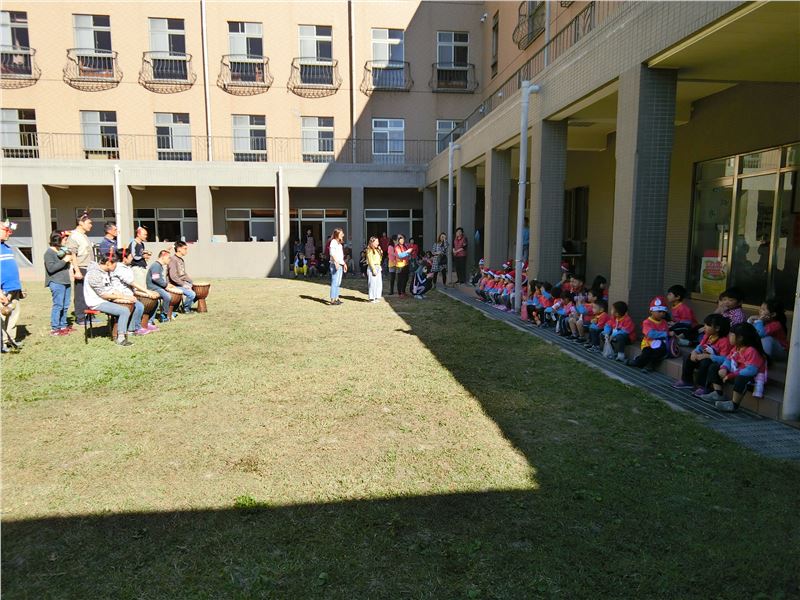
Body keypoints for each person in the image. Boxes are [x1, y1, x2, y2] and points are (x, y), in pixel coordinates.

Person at [700, 323, 768, 412]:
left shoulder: (751, 351)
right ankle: (718, 393)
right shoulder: (736, 348)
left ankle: (734, 404)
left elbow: (751, 370)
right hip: (735, 372)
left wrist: (731, 375)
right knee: (714, 367)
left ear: (740, 338)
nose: (728, 337)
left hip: (750, 378)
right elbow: (728, 359)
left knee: (741, 378)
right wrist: (724, 368)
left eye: (731, 335)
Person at [83, 253, 144, 346]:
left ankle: (127, 330)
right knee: (124, 311)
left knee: (132, 305)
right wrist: (124, 297)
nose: (116, 266)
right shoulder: (94, 274)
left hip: (104, 300)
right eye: (114, 264)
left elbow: (110, 289)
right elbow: (103, 295)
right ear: (108, 263)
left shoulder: (105, 272)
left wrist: (124, 295)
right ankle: (120, 339)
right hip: (96, 302)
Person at [672, 313, 732, 394]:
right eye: (705, 324)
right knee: (688, 356)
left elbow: (724, 359)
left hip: (714, 364)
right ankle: (687, 381)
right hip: (703, 357)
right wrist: (695, 352)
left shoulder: (724, 341)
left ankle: (703, 386)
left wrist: (708, 356)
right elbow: (700, 346)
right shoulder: (708, 335)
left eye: (708, 325)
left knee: (705, 362)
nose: (704, 327)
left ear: (717, 328)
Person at [113, 249, 159, 331]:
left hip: (130, 294)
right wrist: (146, 291)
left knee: (155, 302)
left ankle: (145, 324)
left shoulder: (127, 267)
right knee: (139, 306)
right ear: (124, 258)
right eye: (130, 256)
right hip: (122, 295)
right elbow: (131, 282)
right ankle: (134, 328)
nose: (132, 258)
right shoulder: (119, 268)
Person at [626, 296, 671, 372]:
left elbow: (668, 335)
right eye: (659, 311)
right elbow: (651, 334)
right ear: (651, 311)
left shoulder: (664, 322)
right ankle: (637, 362)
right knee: (646, 353)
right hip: (648, 344)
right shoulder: (647, 322)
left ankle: (649, 365)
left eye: (663, 312)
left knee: (659, 353)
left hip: (660, 345)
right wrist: (666, 334)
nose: (662, 314)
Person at [0, 219, 25, 352]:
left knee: (13, 315)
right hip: (3, 290)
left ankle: (10, 339)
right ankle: (2, 343)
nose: (9, 233)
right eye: (6, 230)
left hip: (13, 288)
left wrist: (20, 287)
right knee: (3, 316)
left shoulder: (7, 248)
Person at [65, 213, 94, 325]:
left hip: (89, 267)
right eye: (89, 223)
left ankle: (89, 315)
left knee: (89, 293)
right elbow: (72, 255)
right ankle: (81, 317)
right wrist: (77, 271)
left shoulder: (84, 235)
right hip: (81, 267)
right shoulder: (74, 236)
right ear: (81, 223)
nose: (91, 225)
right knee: (80, 294)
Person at [44, 230, 74, 336]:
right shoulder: (49, 253)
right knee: (58, 305)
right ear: (58, 240)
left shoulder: (61, 251)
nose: (66, 241)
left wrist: (68, 260)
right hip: (56, 282)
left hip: (65, 281)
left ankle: (63, 325)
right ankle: (55, 328)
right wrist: (64, 260)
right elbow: (51, 268)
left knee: (65, 305)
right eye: (64, 239)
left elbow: (64, 266)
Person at [168, 241, 196, 313]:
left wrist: (191, 282)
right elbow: (173, 276)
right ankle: (186, 309)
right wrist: (183, 284)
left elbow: (183, 274)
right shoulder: (173, 259)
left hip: (180, 283)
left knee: (197, 290)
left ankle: (183, 307)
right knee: (192, 294)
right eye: (185, 248)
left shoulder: (180, 260)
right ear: (179, 249)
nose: (186, 251)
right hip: (174, 285)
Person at [147, 250, 174, 322]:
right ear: (163, 257)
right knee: (167, 296)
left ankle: (166, 312)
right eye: (168, 258)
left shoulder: (159, 265)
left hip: (157, 287)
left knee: (168, 295)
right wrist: (166, 285)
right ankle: (164, 314)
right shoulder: (156, 265)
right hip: (153, 288)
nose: (169, 259)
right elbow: (156, 279)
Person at [328, 228, 346, 305]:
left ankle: (337, 298)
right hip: (335, 264)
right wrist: (336, 262)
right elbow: (332, 253)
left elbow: (340, 256)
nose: (343, 235)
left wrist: (344, 264)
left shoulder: (339, 244)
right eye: (341, 234)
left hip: (340, 264)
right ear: (337, 234)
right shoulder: (333, 242)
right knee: (335, 281)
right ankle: (332, 300)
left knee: (338, 282)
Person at [366, 236, 383, 302]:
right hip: (372, 267)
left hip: (378, 266)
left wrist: (381, 252)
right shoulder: (369, 250)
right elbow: (370, 260)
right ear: (372, 242)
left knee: (378, 283)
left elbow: (380, 259)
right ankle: (371, 297)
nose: (377, 243)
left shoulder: (377, 250)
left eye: (378, 241)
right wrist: (373, 269)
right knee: (372, 283)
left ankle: (377, 296)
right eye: (376, 241)